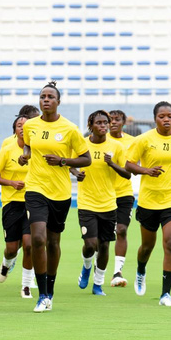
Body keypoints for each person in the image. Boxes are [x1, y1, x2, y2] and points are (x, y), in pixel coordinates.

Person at [18, 81, 90, 312]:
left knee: (53, 242)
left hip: (60, 192)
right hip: (35, 188)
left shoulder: (70, 128)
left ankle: (50, 290)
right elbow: (28, 146)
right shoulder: (30, 125)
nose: (46, 100)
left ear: (58, 101)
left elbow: (86, 158)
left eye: (50, 97)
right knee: (38, 239)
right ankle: (41, 295)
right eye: (43, 97)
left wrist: (63, 161)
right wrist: (25, 155)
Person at [125, 101, 171, 307]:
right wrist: (146, 171)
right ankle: (141, 270)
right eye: (162, 116)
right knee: (147, 246)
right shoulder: (144, 139)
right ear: (155, 118)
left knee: (170, 242)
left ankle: (166, 294)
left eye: (169, 116)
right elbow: (129, 164)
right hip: (149, 200)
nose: (166, 119)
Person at [73, 110, 130, 296]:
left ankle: (98, 284)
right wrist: (76, 173)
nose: (104, 125)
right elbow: (71, 163)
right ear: (90, 125)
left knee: (104, 246)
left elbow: (127, 174)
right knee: (90, 244)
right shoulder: (82, 144)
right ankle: (86, 266)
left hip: (108, 204)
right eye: (99, 122)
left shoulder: (116, 146)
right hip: (86, 203)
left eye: (105, 122)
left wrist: (112, 164)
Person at [0, 115, 36, 298]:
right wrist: (11, 183)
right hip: (11, 203)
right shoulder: (7, 150)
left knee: (29, 244)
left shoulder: (38, 151)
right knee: (12, 248)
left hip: (32, 202)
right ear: (15, 129)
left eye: (26, 126)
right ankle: (6, 262)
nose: (22, 129)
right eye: (19, 125)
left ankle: (26, 285)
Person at [107, 109, 137, 287]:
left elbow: (135, 164)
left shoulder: (132, 142)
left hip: (124, 192)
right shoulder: (100, 140)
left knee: (122, 230)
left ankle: (117, 272)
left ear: (124, 123)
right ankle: (94, 265)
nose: (113, 122)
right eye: (110, 119)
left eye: (117, 119)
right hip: (103, 194)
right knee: (102, 236)